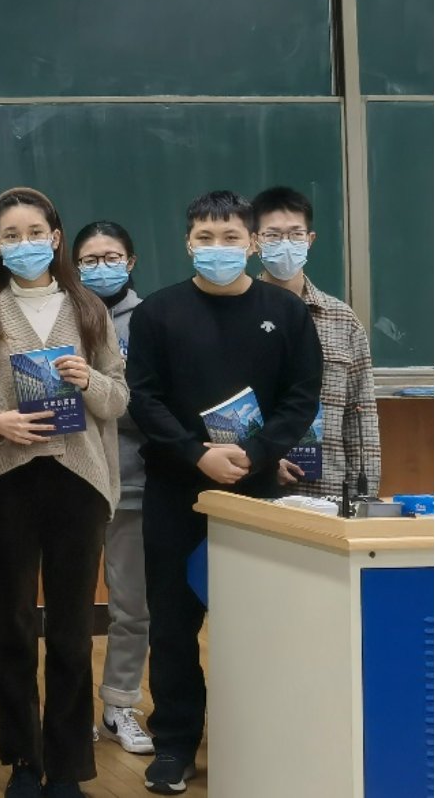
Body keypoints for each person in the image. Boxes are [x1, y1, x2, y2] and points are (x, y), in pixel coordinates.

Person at [125, 190, 321, 795]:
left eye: (231, 237)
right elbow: (144, 398)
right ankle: (175, 745)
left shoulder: (285, 313)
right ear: (188, 243)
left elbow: (301, 398)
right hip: (175, 490)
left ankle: (258, 739)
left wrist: (258, 454)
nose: (218, 248)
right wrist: (196, 453)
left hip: (256, 496)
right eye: (205, 238)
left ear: (253, 243)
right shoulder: (157, 313)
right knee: (173, 624)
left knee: (259, 622)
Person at [0, 187, 128, 798]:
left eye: (34, 232)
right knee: (14, 625)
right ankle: (24, 760)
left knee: (74, 631)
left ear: (55, 238)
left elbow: (118, 399)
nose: (24, 243)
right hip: (7, 482)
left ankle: (68, 765)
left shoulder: (89, 310)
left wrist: (89, 380)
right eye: (11, 235)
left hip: (79, 482)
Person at [70, 221, 155, 757]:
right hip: (72, 479)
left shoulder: (152, 319)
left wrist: (102, 392)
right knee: (69, 605)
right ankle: (72, 707)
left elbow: (153, 400)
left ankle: (120, 702)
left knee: (131, 605)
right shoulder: (61, 315)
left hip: (133, 482)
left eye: (112, 257)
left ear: (131, 261)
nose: (101, 267)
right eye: (90, 259)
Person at [252, 185, 381, 499]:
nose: (285, 244)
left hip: (328, 493)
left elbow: (361, 413)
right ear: (254, 241)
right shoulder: (237, 313)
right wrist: (260, 460)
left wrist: (364, 495)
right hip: (254, 489)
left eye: (296, 234)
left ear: (310, 240)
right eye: (273, 235)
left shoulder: (342, 318)